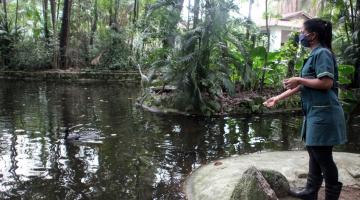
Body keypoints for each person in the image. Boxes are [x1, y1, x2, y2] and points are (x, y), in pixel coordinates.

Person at [263, 18, 347, 200]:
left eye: (302, 31)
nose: (300, 34)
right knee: (313, 151)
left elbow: (326, 82)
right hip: (315, 112)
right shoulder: (313, 54)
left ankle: (330, 195)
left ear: (312, 34)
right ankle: (310, 192)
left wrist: (299, 79)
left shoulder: (322, 53)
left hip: (325, 113)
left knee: (323, 156)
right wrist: (277, 98)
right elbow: (304, 86)